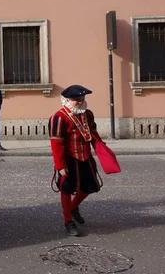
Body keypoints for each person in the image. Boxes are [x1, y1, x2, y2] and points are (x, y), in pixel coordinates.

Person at [49, 85, 103, 237]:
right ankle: (68, 221)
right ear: (66, 100)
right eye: (76, 100)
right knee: (66, 189)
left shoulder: (88, 114)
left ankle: (73, 207)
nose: (79, 102)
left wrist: (102, 149)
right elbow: (56, 143)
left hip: (85, 157)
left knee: (90, 186)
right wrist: (60, 165)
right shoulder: (58, 117)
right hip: (69, 159)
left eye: (82, 99)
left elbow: (93, 133)